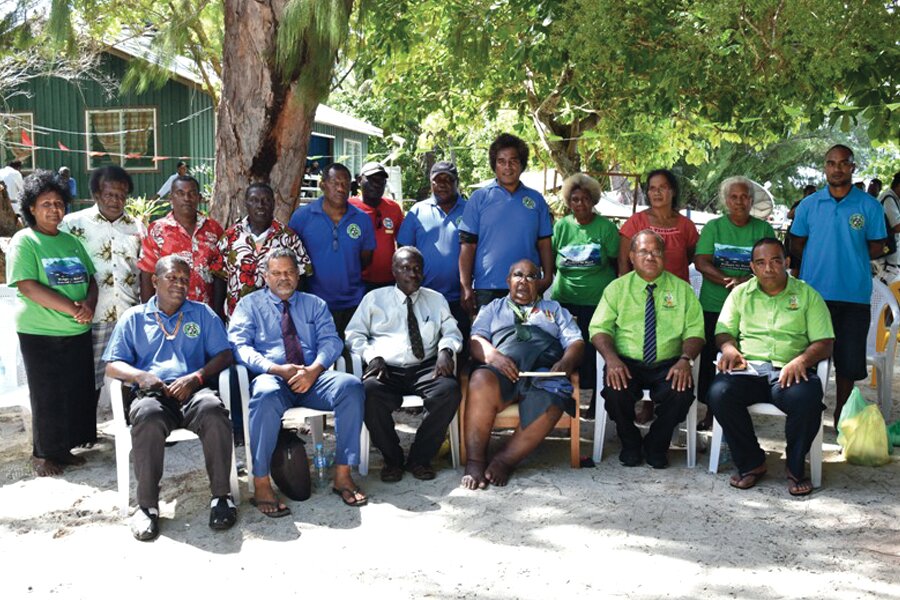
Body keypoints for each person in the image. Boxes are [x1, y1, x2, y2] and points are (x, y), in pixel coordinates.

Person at [104, 256, 236, 540]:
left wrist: (196, 377)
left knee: (214, 411)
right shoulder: (134, 317)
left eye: (184, 280)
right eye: (172, 278)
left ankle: (221, 498)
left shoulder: (201, 313)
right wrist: (141, 376)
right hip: (153, 394)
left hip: (193, 392)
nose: (179, 284)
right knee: (148, 417)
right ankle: (147, 506)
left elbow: (225, 354)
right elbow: (113, 365)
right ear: (155, 281)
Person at [229, 248, 367, 513]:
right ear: (266, 276)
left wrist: (314, 370)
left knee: (351, 387)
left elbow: (331, 341)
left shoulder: (314, 304)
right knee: (265, 395)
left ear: (298, 274)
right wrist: (274, 369)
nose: (284, 278)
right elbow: (240, 347)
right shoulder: (249, 305)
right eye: (277, 273)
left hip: (312, 377)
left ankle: (342, 474)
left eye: (289, 272)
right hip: (273, 378)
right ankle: (261, 483)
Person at [708, 238, 834, 496]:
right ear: (752, 267)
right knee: (719, 393)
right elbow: (723, 331)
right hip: (749, 370)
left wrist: (801, 361)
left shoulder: (808, 295)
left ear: (786, 262)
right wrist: (729, 348)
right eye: (761, 262)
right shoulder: (740, 294)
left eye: (775, 261)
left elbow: (825, 342)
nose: (768, 268)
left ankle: (795, 467)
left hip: (790, 371)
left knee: (807, 398)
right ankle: (752, 462)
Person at [461, 259, 584, 489]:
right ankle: (475, 461)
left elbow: (575, 341)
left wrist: (566, 362)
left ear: (540, 282)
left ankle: (504, 460)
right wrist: (493, 357)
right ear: (508, 280)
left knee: (555, 398)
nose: (524, 281)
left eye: (531, 276)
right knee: (479, 380)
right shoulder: (493, 308)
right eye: (518, 275)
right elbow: (476, 339)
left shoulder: (555, 310)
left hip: (541, 374)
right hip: (501, 370)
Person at [5, 170, 98, 476]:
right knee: (47, 394)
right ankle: (43, 455)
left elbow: (91, 279)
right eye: (46, 204)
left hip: (77, 330)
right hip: (41, 331)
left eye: (59, 203)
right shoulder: (25, 241)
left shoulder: (71, 242)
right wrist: (72, 309)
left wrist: (88, 304)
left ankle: (64, 449)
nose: (54, 209)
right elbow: (28, 286)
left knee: (73, 392)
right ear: (31, 207)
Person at [345, 247, 463, 482]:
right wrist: (372, 356)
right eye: (406, 268)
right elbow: (353, 334)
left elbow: (451, 331)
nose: (412, 274)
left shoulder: (436, 299)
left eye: (417, 269)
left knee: (448, 391)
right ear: (394, 271)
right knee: (368, 392)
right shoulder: (374, 299)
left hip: (426, 367)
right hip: (386, 369)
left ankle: (420, 458)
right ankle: (392, 459)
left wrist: (446, 350)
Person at [590, 230, 704, 468]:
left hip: (670, 363)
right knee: (615, 392)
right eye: (643, 251)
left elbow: (695, 332)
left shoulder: (682, 290)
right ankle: (630, 441)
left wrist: (685, 359)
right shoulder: (616, 289)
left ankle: (656, 444)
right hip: (625, 361)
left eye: (656, 252)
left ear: (664, 256)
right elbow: (599, 328)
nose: (650, 256)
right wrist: (611, 359)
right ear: (631, 256)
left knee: (681, 393)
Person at [790, 145, 887, 425]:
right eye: (831, 163)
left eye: (843, 163)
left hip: (854, 295)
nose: (837, 168)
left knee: (848, 361)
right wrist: (820, 257)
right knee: (807, 356)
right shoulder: (809, 205)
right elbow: (796, 243)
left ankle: (841, 415)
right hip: (814, 295)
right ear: (825, 167)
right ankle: (807, 410)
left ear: (852, 167)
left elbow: (877, 245)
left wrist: (848, 254)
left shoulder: (869, 206)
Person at [693, 176, 775, 429]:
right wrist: (727, 280)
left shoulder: (763, 230)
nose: (739, 201)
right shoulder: (714, 227)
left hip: (752, 308)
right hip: (713, 305)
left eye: (744, 197)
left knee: (743, 358)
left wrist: (745, 281)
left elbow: (771, 263)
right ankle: (711, 411)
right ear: (726, 201)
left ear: (751, 201)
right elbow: (701, 261)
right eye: (734, 197)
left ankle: (736, 410)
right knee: (712, 360)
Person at [60, 165, 145, 405]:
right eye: (109, 194)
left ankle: (131, 419)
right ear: (96, 194)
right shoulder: (71, 224)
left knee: (131, 376)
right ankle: (87, 424)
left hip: (127, 315)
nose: (116, 200)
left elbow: (143, 270)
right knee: (87, 377)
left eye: (122, 195)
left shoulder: (136, 227)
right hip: (90, 315)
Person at [459, 133, 554, 315]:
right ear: (494, 165)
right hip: (488, 287)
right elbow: (467, 246)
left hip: (528, 285)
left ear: (522, 164)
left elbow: (544, 242)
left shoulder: (536, 199)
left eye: (513, 161)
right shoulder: (479, 198)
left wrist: (547, 278)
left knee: (528, 333)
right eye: (501, 161)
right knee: (487, 333)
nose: (507, 167)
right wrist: (465, 285)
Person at [550, 173, 619, 411]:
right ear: (569, 202)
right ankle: (566, 400)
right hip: (565, 301)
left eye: (585, 199)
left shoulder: (606, 228)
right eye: (575, 199)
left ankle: (596, 402)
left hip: (597, 302)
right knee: (566, 350)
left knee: (594, 351)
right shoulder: (561, 226)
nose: (580, 204)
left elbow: (616, 262)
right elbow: (551, 259)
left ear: (594, 201)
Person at [288, 162, 375, 337]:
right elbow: (292, 259)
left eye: (345, 183)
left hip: (354, 304)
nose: (341, 188)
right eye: (335, 183)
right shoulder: (302, 217)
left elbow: (365, 259)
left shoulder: (362, 219)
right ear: (322, 185)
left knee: (352, 351)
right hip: (314, 304)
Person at [211, 182, 312, 321]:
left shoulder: (288, 238)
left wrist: (295, 314)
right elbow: (220, 278)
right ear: (246, 203)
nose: (260, 205)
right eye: (254, 200)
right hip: (239, 319)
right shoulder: (230, 237)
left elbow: (302, 277)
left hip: (277, 320)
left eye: (266, 200)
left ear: (273, 204)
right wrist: (218, 316)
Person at [397, 161, 470, 344]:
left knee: (459, 346)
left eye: (448, 180)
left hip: (460, 298)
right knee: (427, 345)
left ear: (457, 182)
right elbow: (403, 250)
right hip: (423, 297)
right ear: (431, 183)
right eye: (437, 180)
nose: (442, 185)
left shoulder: (470, 210)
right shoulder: (417, 211)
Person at [137, 175, 224, 306]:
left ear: (199, 198)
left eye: (192, 193)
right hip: (168, 311)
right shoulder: (157, 230)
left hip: (205, 311)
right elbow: (147, 273)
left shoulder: (213, 229)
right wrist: (148, 312)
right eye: (180, 193)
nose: (186, 198)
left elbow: (220, 275)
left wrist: (217, 313)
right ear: (171, 198)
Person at [618, 169, 699, 282]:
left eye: (662, 187)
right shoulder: (635, 222)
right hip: (641, 290)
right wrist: (626, 288)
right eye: (652, 188)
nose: (657, 192)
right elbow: (623, 261)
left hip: (676, 289)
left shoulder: (686, 225)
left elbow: (690, 257)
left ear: (673, 191)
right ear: (648, 193)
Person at [349, 161, 404, 290]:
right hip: (358, 280)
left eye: (381, 180)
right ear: (359, 180)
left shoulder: (393, 208)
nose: (376, 184)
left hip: (389, 280)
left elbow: (402, 243)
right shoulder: (348, 208)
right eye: (371, 179)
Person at [786, 184, 818, 277]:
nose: (813, 195)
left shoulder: (819, 205)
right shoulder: (800, 203)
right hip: (796, 237)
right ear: (805, 194)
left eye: (814, 193)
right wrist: (804, 204)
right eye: (810, 193)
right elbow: (789, 215)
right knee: (796, 266)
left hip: (811, 238)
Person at [875, 172, 900, 283]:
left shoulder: (894, 199)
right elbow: (897, 226)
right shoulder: (888, 199)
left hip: (890, 259)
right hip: (886, 262)